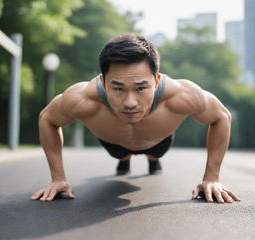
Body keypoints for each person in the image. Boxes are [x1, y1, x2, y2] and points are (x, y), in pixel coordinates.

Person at [31, 33, 240, 204]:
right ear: (103, 82)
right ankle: (125, 158)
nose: (130, 102)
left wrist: (212, 179)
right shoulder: (81, 98)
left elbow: (221, 116)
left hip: (158, 140)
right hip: (114, 143)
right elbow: (47, 118)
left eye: (141, 88)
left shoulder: (182, 95)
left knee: (155, 152)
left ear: (157, 80)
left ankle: (152, 158)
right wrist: (58, 179)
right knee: (120, 154)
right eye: (118, 88)